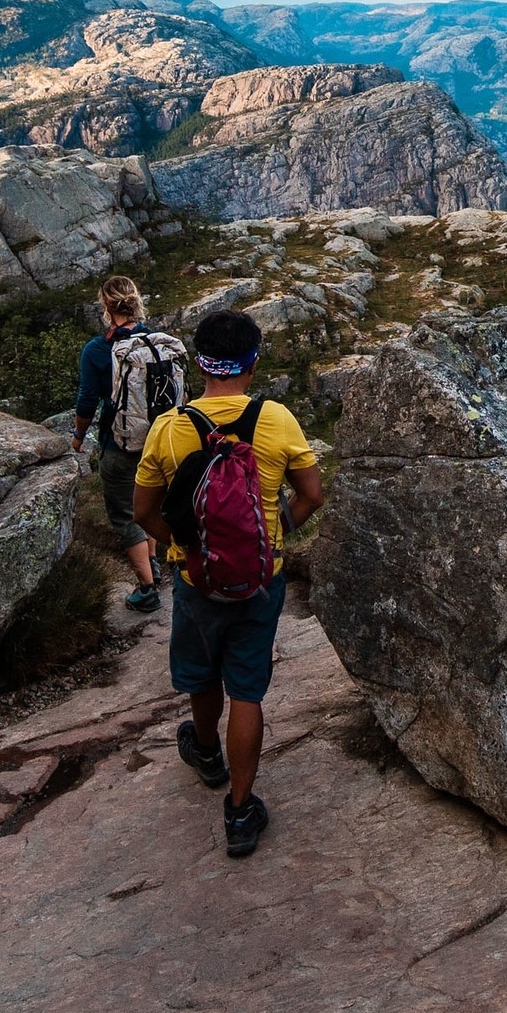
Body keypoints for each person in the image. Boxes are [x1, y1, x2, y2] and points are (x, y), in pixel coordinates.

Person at [132, 311, 324, 858]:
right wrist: (273, 532)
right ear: (253, 360)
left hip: (196, 578)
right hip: (262, 579)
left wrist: (183, 545)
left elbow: (142, 510)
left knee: (200, 670)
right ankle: (240, 813)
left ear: (200, 362)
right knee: (247, 689)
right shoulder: (277, 419)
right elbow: (312, 494)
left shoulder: (170, 428)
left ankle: (207, 755)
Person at [72, 276, 170, 612]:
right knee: (151, 503)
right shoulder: (156, 343)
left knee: (124, 513)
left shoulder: (97, 350)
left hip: (120, 444)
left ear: (105, 307)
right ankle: (153, 560)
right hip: (160, 441)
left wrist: (78, 437)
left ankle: (146, 588)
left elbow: (87, 402)